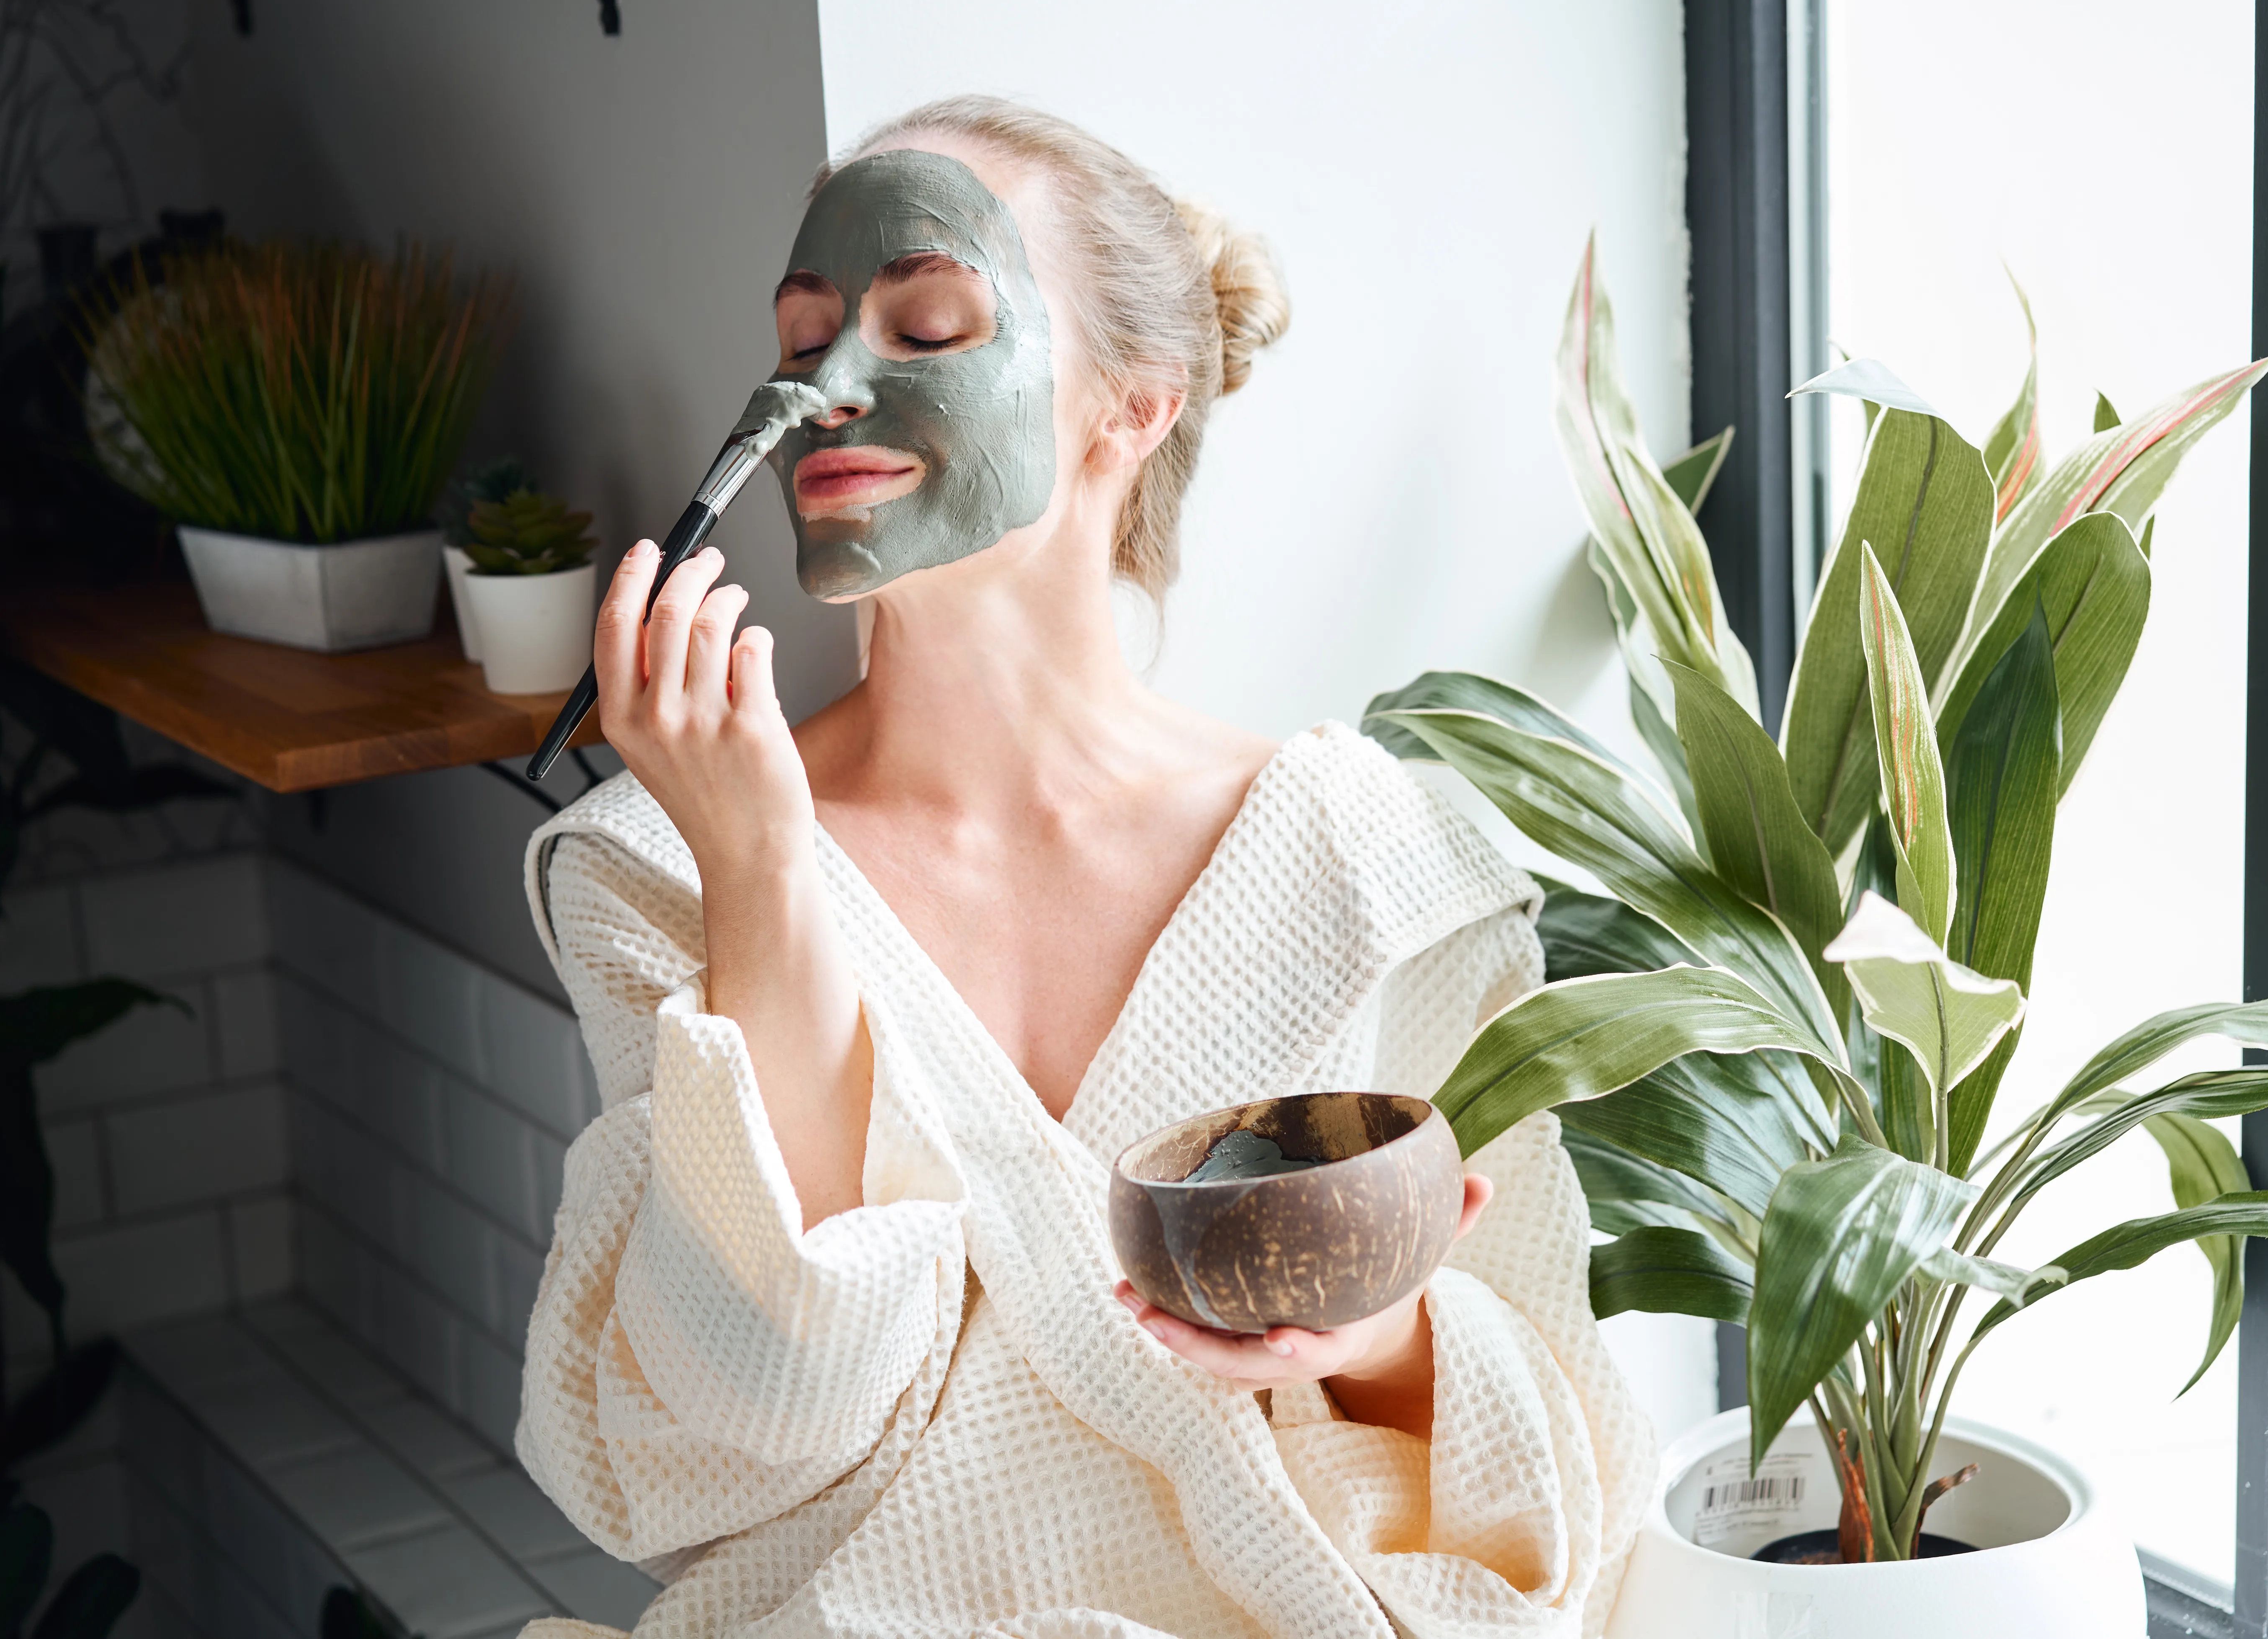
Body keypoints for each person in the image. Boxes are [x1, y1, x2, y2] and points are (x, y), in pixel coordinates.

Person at [515, 97, 1650, 1638]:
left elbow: (1563, 1452)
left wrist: (1376, 1336)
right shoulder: (662, 866)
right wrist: (763, 862)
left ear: (1132, 407)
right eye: (801, 341)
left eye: (927, 325)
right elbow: (754, 1411)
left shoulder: (1376, 860)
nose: (829, 390)